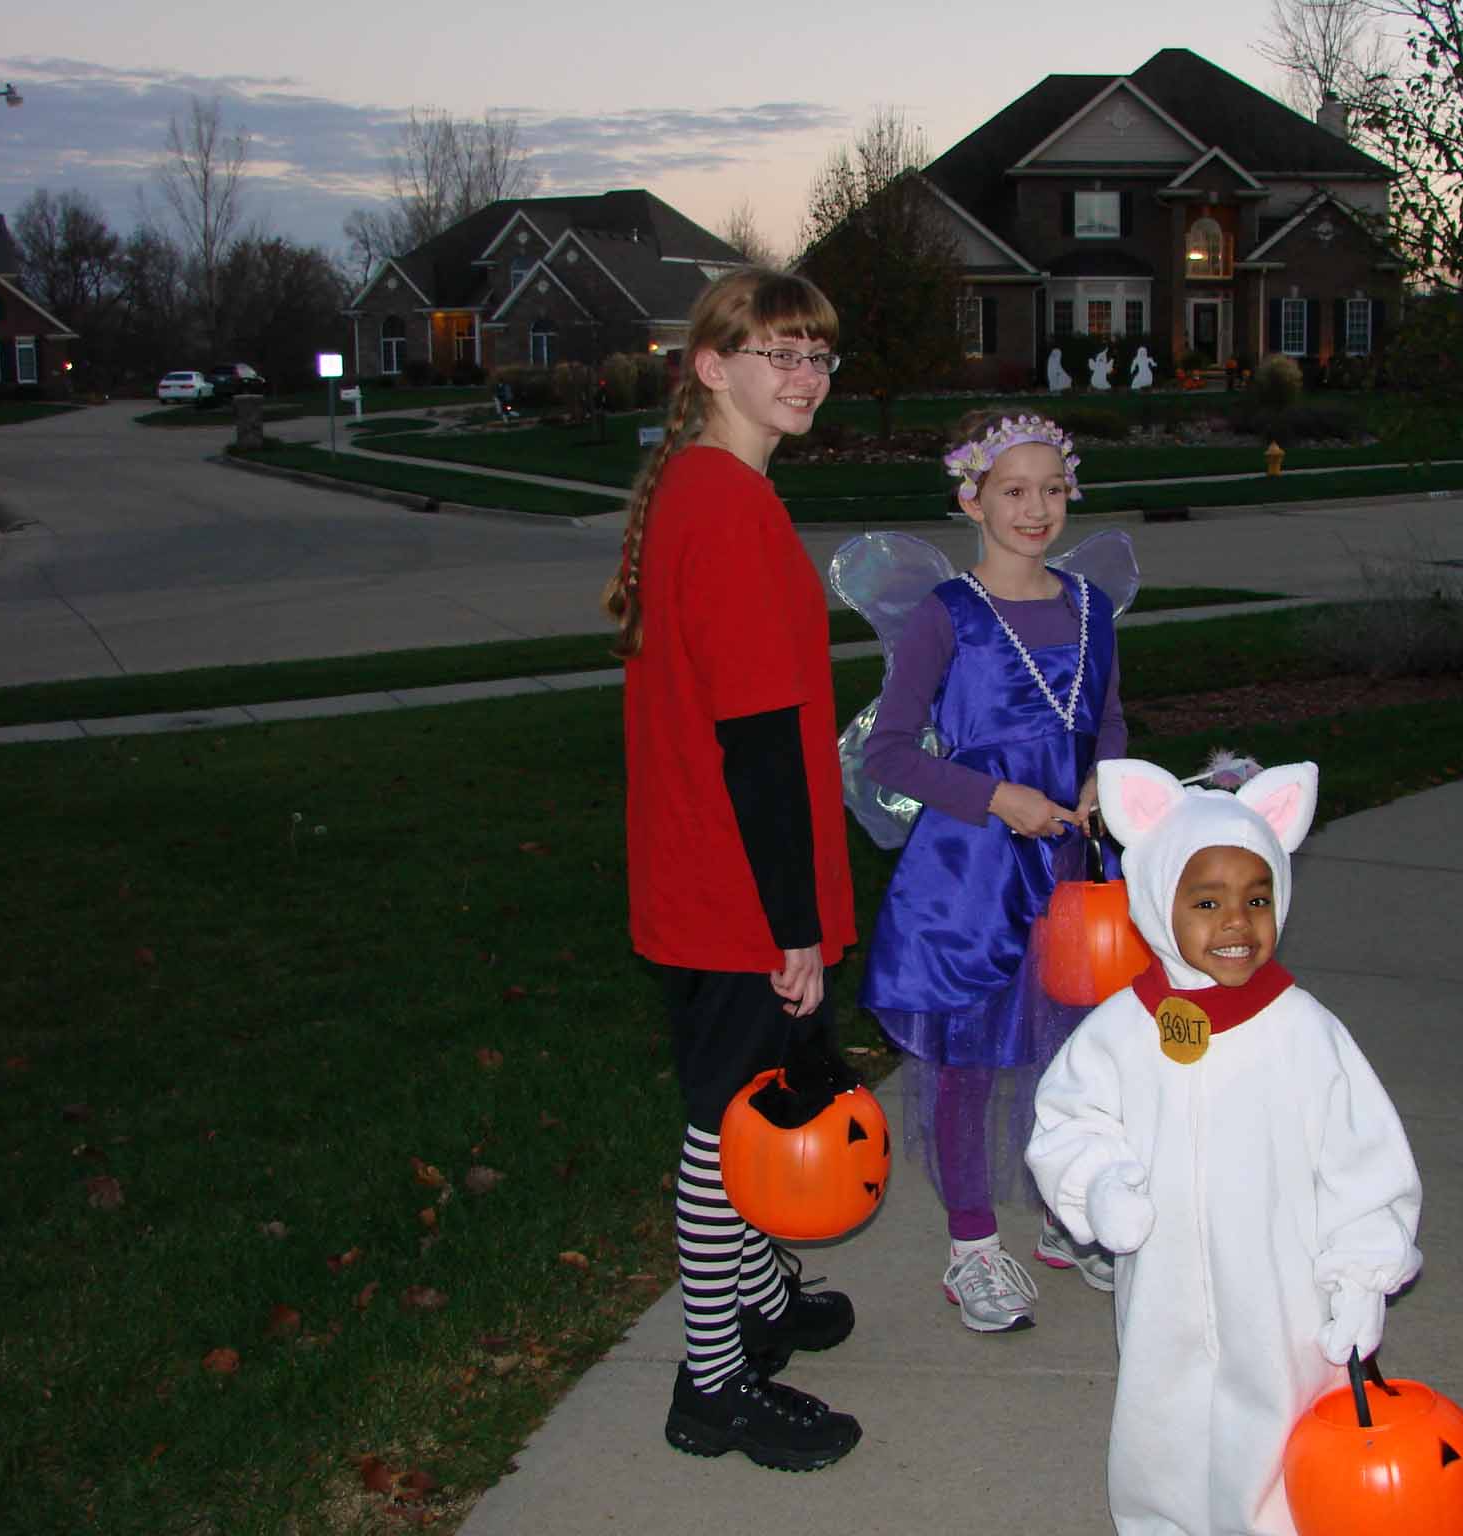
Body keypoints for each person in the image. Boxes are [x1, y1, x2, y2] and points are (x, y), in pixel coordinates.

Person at [603, 268, 863, 1472]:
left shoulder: (700, 493)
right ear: (711, 367)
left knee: (747, 1107)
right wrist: (793, 923)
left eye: (817, 356)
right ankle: (711, 1384)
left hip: (701, 874)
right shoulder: (728, 507)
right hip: (734, 890)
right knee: (725, 1136)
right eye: (778, 353)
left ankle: (758, 1297)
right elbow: (756, 739)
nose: (803, 376)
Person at [1028, 757, 1424, 1535]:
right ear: (1155, 899)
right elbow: (1070, 1119)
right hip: (1164, 1292)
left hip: (1282, 1295)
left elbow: (1362, 1159)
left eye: (1257, 899)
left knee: (1275, 1439)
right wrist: (1101, 1183)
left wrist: (1359, 1273)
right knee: (1161, 1427)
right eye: (1206, 902)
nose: (1236, 923)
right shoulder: (1122, 1031)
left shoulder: (1304, 1032)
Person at [860, 412, 1128, 1333]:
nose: (1037, 508)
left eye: (1053, 489)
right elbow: (890, 754)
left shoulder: (1090, 607)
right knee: (968, 1059)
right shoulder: (950, 617)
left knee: (1074, 1049)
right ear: (969, 498)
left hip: (1072, 870)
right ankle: (972, 1246)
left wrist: (1104, 780)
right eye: (1013, 490)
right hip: (969, 878)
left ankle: (1064, 1215)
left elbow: (1110, 719)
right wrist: (992, 798)